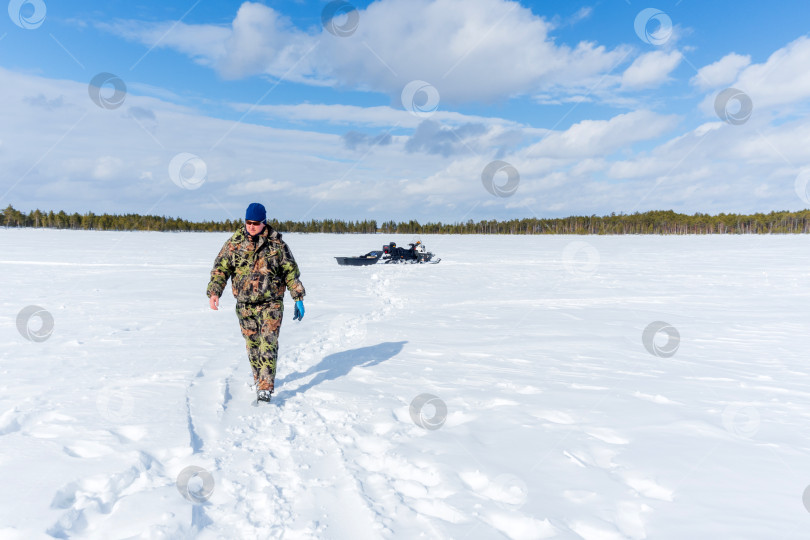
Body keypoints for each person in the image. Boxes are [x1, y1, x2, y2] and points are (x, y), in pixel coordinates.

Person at [206, 202, 306, 403]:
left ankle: (265, 387)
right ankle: (258, 378)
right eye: (248, 222)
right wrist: (215, 292)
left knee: (267, 344)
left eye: (256, 223)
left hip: (271, 303)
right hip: (244, 305)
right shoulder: (234, 243)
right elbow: (221, 269)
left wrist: (298, 297)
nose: (251, 226)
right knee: (252, 345)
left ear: (264, 223)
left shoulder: (277, 245)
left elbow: (290, 272)